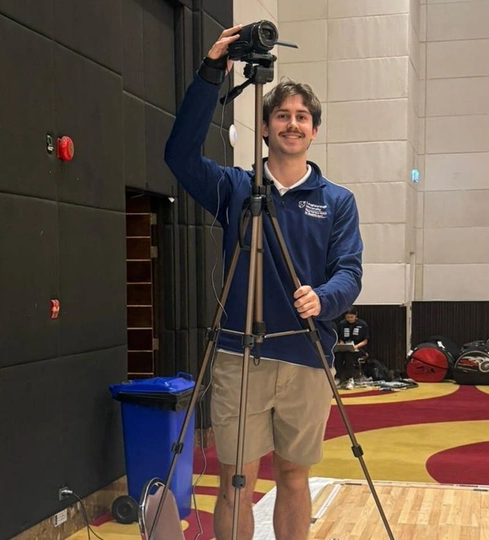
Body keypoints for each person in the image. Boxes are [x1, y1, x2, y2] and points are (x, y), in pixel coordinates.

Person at [164, 24, 364, 540]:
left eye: (301, 117)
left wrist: (324, 298)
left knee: (294, 478)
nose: (292, 124)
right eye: (282, 115)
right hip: (238, 356)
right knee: (235, 480)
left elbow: (350, 272)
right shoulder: (235, 188)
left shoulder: (337, 200)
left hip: (306, 356)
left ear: (314, 130)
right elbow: (180, 156)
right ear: (265, 127)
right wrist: (212, 73)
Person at [335, 308, 370, 381]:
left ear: (355, 315)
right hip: (345, 348)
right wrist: (341, 343)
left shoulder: (362, 324)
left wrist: (356, 346)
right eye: (347, 317)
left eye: (351, 317)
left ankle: (350, 378)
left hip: (359, 348)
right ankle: (338, 377)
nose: (349, 319)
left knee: (349, 356)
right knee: (338, 355)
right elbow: (339, 338)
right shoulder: (342, 324)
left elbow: (365, 340)